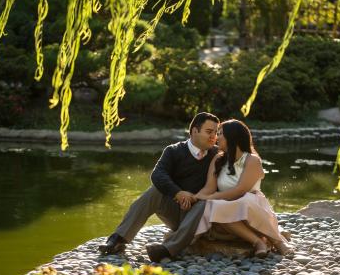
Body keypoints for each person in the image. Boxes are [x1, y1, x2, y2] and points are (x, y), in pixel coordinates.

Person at [99, 112, 220, 262]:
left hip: (201, 215)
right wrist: (178, 193)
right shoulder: (173, 151)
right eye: (209, 132)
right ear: (195, 131)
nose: (213, 137)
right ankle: (118, 239)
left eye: (215, 132)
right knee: (155, 191)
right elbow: (158, 175)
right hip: (176, 210)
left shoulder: (217, 154)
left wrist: (195, 197)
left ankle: (168, 249)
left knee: (206, 203)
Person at [194, 119, 293, 257]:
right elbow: (209, 188)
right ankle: (258, 242)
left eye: (221, 133)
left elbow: (240, 190)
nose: (217, 137)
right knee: (215, 206)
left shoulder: (252, 160)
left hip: (252, 206)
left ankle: (278, 242)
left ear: (232, 137)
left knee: (245, 200)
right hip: (228, 210)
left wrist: (210, 198)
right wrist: (195, 197)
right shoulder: (218, 160)